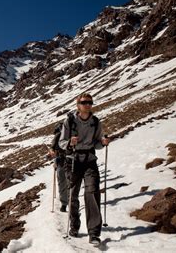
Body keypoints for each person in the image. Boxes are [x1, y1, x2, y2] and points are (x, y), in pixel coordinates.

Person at [59, 93, 110, 245]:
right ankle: (74, 225)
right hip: (73, 160)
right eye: (84, 102)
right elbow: (61, 142)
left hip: (89, 160)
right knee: (73, 195)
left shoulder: (95, 122)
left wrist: (103, 142)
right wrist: (69, 142)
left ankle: (94, 233)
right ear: (78, 105)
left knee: (92, 192)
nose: (87, 105)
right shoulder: (69, 121)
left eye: (90, 102)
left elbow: (97, 143)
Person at [49, 123, 68, 212]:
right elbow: (53, 149)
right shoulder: (64, 135)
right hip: (66, 160)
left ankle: (65, 203)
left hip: (62, 161)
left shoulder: (57, 136)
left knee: (62, 183)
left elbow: (53, 150)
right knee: (67, 182)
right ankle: (67, 202)